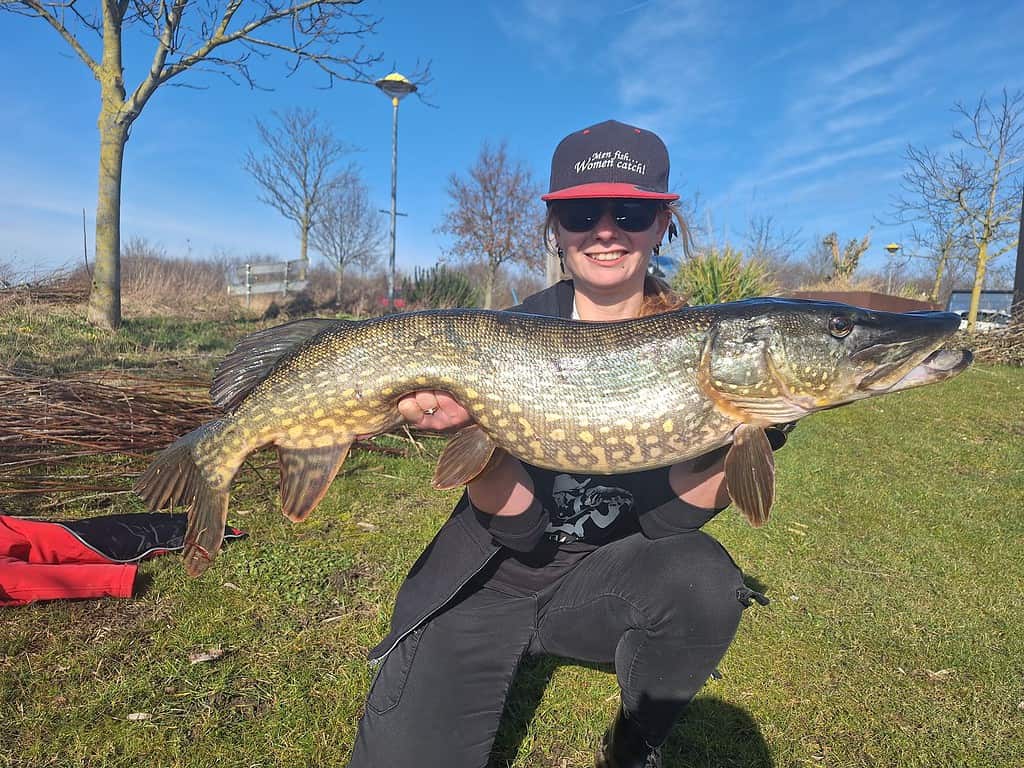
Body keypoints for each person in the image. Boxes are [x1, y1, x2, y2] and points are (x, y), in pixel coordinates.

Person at [346, 119, 774, 768]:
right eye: (580, 212)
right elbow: (518, 531)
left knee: (704, 578)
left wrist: (764, 423)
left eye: (631, 211)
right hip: (492, 573)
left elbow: (669, 521)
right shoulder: (506, 338)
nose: (606, 231)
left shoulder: (708, 351)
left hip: (601, 581)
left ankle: (633, 745)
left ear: (663, 226)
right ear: (556, 229)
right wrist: (471, 429)